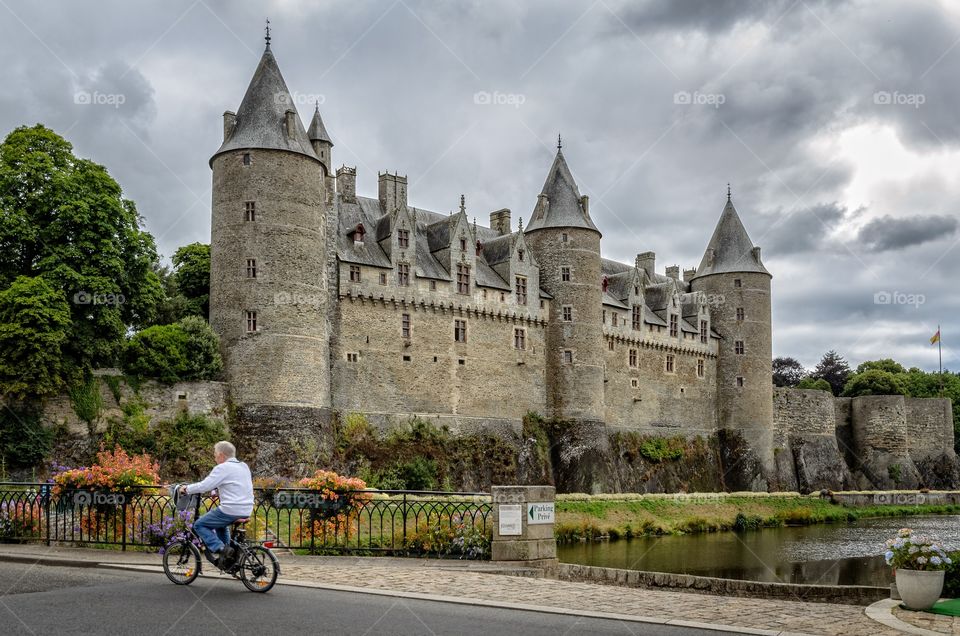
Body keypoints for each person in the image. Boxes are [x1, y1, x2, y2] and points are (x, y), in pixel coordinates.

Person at [181, 441, 253, 567]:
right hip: (247, 508)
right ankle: (228, 556)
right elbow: (234, 484)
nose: (214, 458)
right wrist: (216, 491)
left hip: (231, 509)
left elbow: (204, 485)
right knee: (221, 525)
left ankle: (221, 548)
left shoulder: (222, 468)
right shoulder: (243, 466)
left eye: (215, 455)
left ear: (221, 455)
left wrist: (186, 489)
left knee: (199, 525)